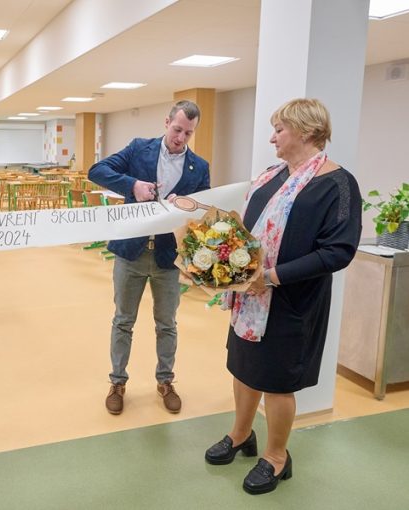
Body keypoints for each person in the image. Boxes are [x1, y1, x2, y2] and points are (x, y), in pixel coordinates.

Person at [203, 98, 362, 495]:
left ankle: (276, 456)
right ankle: (241, 435)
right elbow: (247, 230)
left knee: (276, 381)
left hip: (293, 301)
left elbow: (338, 251)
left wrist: (271, 277)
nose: (272, 138)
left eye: (279, 130)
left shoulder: (338, 184)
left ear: (306, 131)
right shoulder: (271, 177)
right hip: (250, 298)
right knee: (243, 368)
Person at [88, 100, 210, 415]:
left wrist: (185, 205)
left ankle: (165, 381)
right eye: (177, 129)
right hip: (131, 253)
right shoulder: (138, 149)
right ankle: (117, 382)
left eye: (188, 133)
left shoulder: (200, 167)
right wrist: (132, 185)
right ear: (167, 122)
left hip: (168, 259)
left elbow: (202, 211)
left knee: (167, 324)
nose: (181, 138)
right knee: (123, 321)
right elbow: (96, 171)